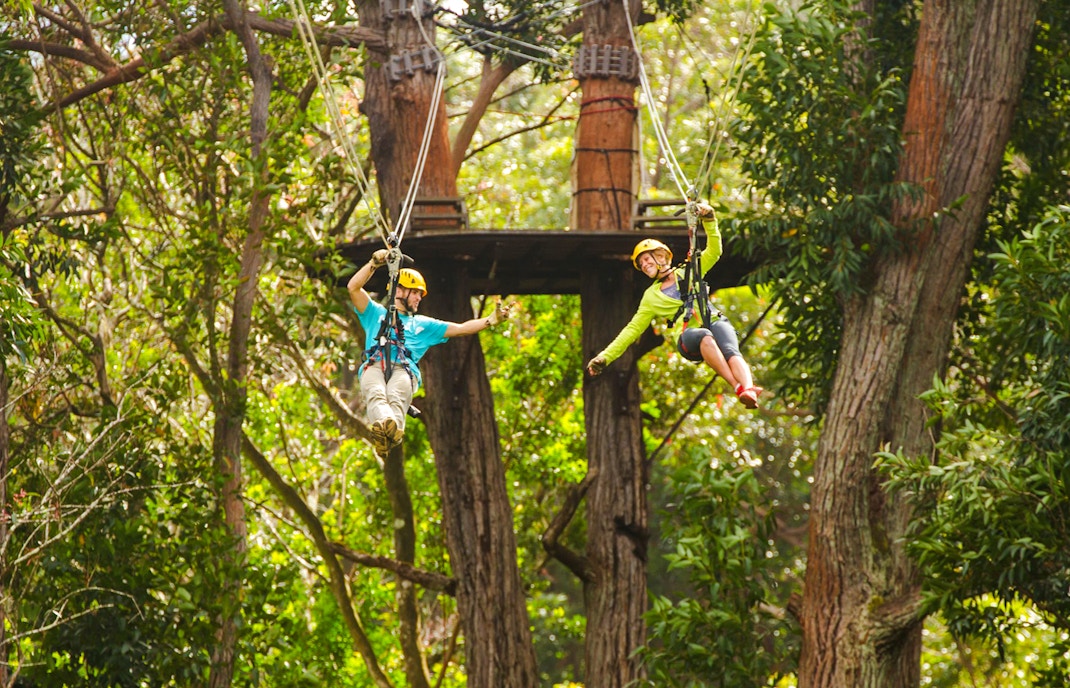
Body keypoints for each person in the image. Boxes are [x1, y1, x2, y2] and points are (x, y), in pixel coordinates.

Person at [585, 207, 762, 408]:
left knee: (731, 349)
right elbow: (632, 330)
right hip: (689, 335)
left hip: (713, 318)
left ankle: (748, 389)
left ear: (660, 257)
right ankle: (737, 387)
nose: (643, 266)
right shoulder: (651, 297)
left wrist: (710, 220)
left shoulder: (689, 271)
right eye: (640, 264)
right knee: (704, 335)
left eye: (646, 259)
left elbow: (714, 251)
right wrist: (604, 357)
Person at [348, 249, 513, 453]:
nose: (419, 298)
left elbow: (460, 329)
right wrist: (374, 263)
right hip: (374, 364)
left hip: (403, 369)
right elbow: (354, 288)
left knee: (395, 395)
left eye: (420, 294)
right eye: (415, 292)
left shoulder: (423, 324)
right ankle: (384, 428)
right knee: (375, 392)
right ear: (398, 291)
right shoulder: (375, 313)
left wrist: (490, 320)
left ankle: (391, 431)